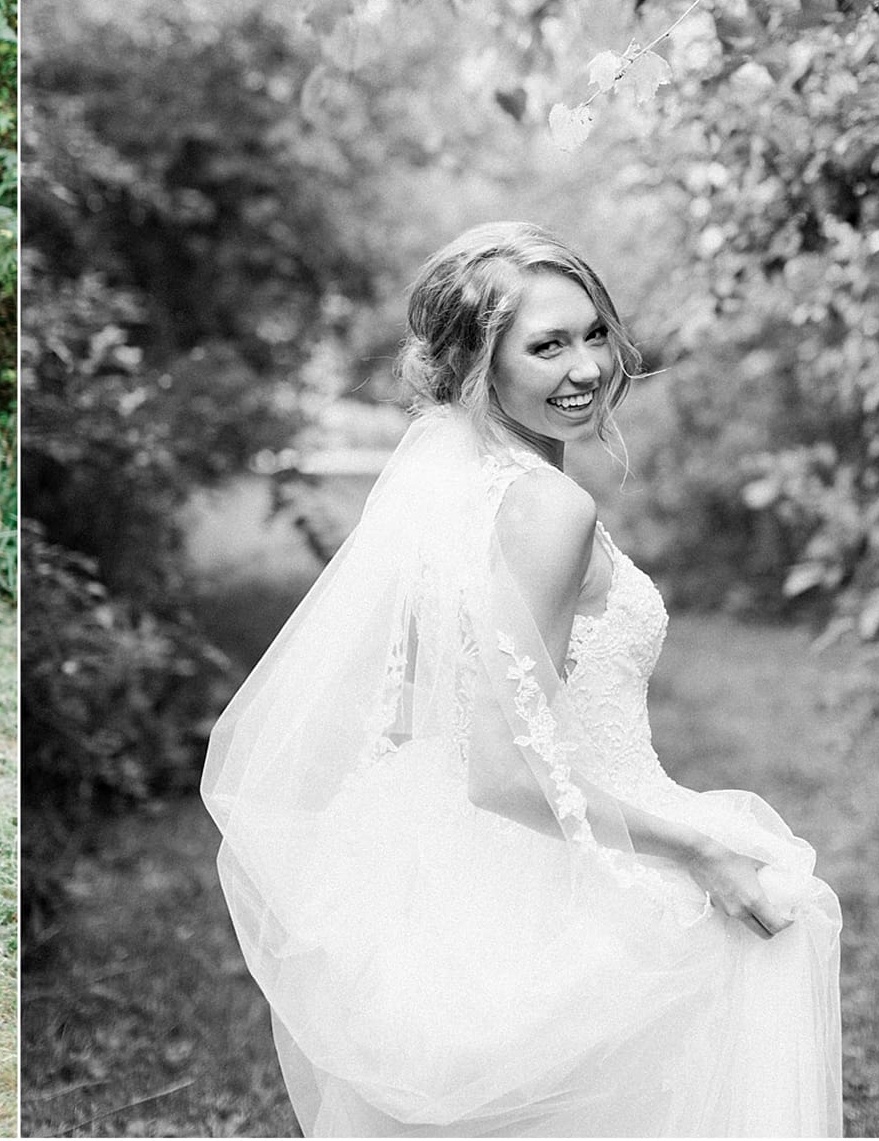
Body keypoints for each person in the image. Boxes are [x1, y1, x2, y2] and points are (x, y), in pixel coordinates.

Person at [202, 221, 842, 1136]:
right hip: (566, 858)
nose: (587, 367)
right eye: (547, 346)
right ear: (478, 363)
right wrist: (700, 850)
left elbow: (434, 711)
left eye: (594, 334)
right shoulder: (548, 507)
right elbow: (504, 771)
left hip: (467, 853)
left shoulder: (460, 484)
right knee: (781, 923)